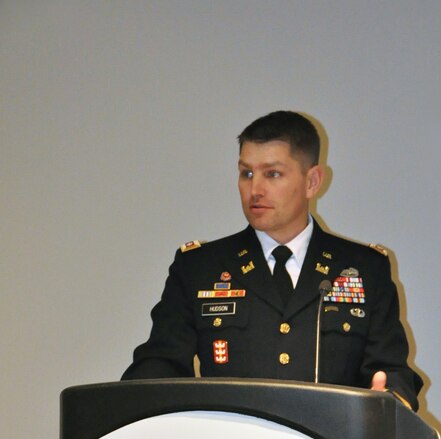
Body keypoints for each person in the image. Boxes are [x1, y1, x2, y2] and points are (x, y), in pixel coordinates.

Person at [122, 111, 422, 410]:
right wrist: (136, 400)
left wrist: (392, 400)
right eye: (246, 173)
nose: (255, 190)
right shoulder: (200, 268)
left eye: (272, 174)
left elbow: (392, 370)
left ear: (312, 181)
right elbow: (160, 365)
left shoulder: (364, 269)